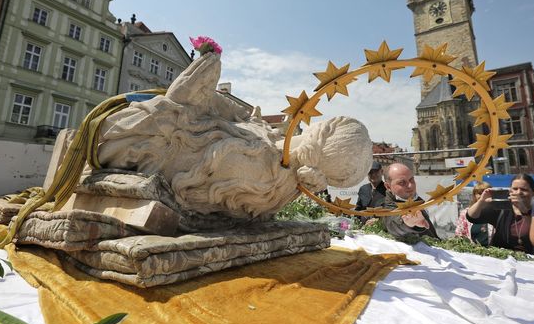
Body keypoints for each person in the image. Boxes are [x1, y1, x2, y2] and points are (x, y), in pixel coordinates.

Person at [96, 50, 374, 221]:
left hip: (144, 141)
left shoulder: (264, 170)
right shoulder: (279, 174)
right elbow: (237, 120)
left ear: (321, 131)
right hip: (159, 135)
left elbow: (195, 159)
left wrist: (189, 103)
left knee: (144, 122)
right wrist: (209, 102)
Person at [466, 174, 534, 254]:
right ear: (510, 191)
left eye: (524, 190)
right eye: (515, 189)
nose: (518, 192)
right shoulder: (502, 209)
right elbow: (471, 217)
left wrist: (524, 210)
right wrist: (481, 201)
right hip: (503, 258)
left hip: (533, 260)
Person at [382, 163, 439, 240]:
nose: (410, 186)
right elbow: (393, 224)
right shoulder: (387, 209)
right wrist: (407, 224)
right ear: (388, 186)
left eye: (411, 180)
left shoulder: (415, 199)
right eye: (402, 183)